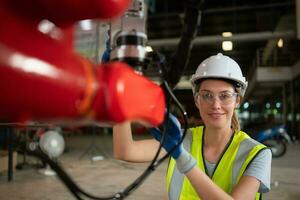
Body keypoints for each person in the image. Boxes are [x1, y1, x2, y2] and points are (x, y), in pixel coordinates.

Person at [113, 53, 272, 200]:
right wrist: (116, 87)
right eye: (207, 95)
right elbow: (125, 151)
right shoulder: (181, 139)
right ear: (197, 100)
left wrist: (182, 158)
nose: (216, 105)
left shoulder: (257, 154)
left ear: (237, 101)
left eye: (225, 96)